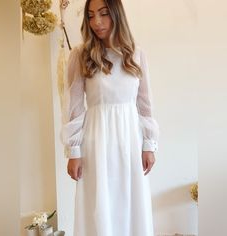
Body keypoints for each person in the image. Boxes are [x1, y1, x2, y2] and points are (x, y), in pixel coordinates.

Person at [60, 0, 159, 235]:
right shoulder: (81, 55)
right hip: (96, 142)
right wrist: (74, 151)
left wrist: (149, 144)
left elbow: (144, 105)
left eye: (103, 14)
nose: (97, 22)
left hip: (129, 142)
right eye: (91, 16)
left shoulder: (136, 55)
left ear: (116, 14)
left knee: (130, 204)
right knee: (99, 206)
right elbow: (74, 107)